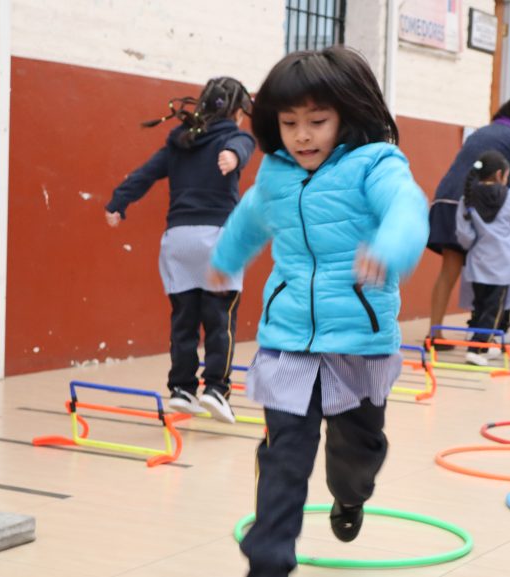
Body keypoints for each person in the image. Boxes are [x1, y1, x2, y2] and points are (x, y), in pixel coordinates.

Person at [208, 47, 428, 577]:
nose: (302, 136)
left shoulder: (374, 164)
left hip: (356, 341)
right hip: (288, 340)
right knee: (284, 455)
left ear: (346, 115)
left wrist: (389, 248)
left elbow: (406, 206)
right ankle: (268, 561)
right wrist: (224, 260)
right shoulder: (276, 176)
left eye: (317, 121)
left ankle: (350, 495)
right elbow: (248, 220)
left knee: (358, 451)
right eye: (289, 124)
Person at [105, 77, 256, 423]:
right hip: (218, 238)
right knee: (220, 319)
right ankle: (216, 390)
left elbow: (145, 174)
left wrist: (117, 203)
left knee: (184, 320)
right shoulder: (235, 137)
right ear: (237, 112)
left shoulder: (181, 140)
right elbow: (241, 145)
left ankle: (182, 389)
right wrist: (234, 156)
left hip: (178, 241)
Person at [426, 95, 510, 349]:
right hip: (481, 209)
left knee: (448, 272)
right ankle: (488, 331)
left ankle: (434, 333)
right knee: (497, 269)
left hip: (447, 202)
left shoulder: (482, 132)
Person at [455, 150, 510, 366]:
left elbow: (465, 236)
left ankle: (485, 344)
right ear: (500, 175)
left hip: (477, 264)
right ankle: (477, 349)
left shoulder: (467, 198)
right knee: (494, 310)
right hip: (502, 265)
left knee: (480, 307)